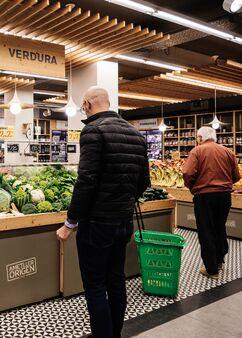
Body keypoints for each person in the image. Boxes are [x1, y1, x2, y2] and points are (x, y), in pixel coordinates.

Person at [56, 86, 150, 338]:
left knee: (95, 285)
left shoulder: (93, 131)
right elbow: (144, 182)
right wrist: (124, 201)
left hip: (96, 224)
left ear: (86, 103)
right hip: (123, 221)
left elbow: (86, 180)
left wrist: (70, 222)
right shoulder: (136, 134)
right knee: (116, 280)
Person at [182, 126, 240, 279]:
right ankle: (220, 260)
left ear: (200, 138)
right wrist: (225, 183)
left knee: (206, 230)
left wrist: (192, 187)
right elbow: (237, 175)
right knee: (219, 227)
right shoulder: (228, 152)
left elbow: (187, 173)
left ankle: (211, 269)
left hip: (205, 196)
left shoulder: (197, 151)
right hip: (224, 196)